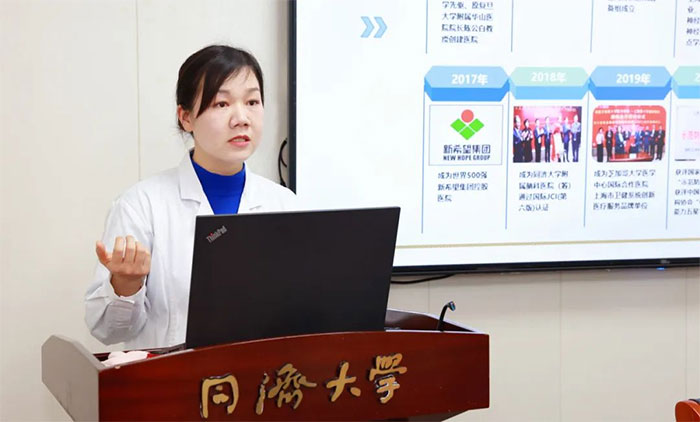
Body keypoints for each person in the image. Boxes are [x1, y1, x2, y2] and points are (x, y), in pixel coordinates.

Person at [85, 45, 297, 349]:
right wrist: (126, 285)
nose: (242, 118)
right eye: (222, 104)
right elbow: (108, 330)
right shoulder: (142, 205)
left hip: (262, 376)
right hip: (172, 377)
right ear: (186, 118)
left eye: (252, 101)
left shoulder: (285, 204)